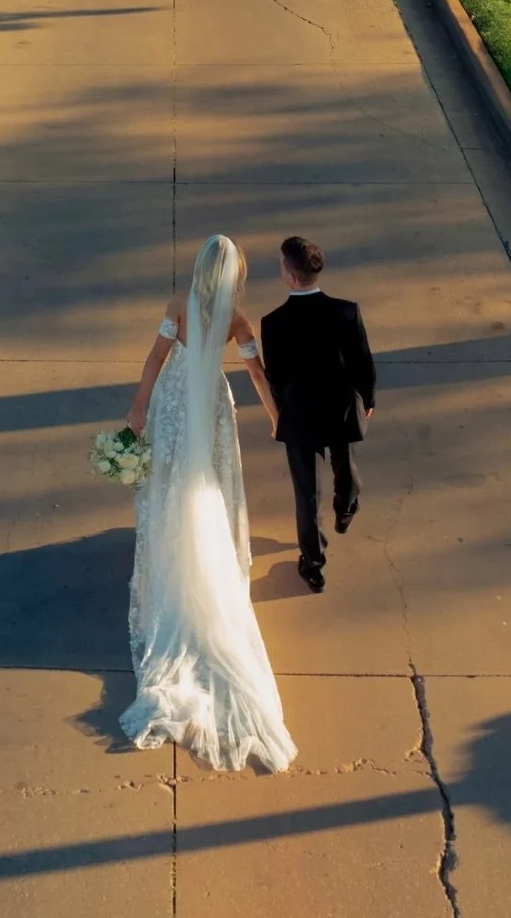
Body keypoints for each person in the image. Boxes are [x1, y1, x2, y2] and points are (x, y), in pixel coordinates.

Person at [118, 234, 297, 772]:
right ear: (234, 273)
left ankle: (173, 546)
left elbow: (156, 357)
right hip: (212, 404)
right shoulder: (236, 317)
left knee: (172, 477)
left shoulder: (178, 304)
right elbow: (256, 371)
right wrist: (274, 415)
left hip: (176, 397)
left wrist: (139, 406)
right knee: (210, 481)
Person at [260, 236, 376, 594]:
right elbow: (362, 361)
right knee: (346, 468)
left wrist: (279, 412)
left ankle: (313, 566)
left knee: (306, 495)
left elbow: (275, 376)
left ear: (291, 277)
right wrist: (367, 398)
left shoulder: (273, 322)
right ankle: (346, 507)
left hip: (299, 418)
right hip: (339, 410)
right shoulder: (346, 311)